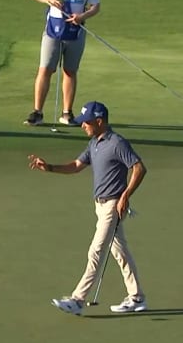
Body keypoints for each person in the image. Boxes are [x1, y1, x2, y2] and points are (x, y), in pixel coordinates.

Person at [28, 101, 147, 315]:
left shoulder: (117, 143)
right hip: (100, 206)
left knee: (96, 251)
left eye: (87, 122)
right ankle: (136, 297)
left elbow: (139, 168)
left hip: (113, 205)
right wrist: (50, 168)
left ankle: (77, 300)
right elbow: (76, 166)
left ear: (99, 121)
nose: (83, 125)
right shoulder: (94, 144)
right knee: (120, 252)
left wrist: (125, 196)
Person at [24, 0, 100, 127]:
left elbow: (96, 6)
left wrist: (83, 16)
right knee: (45, 69)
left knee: (70, 71)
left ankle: (67, 113)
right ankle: (37, 112)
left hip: (76, 31)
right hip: (53, 30)